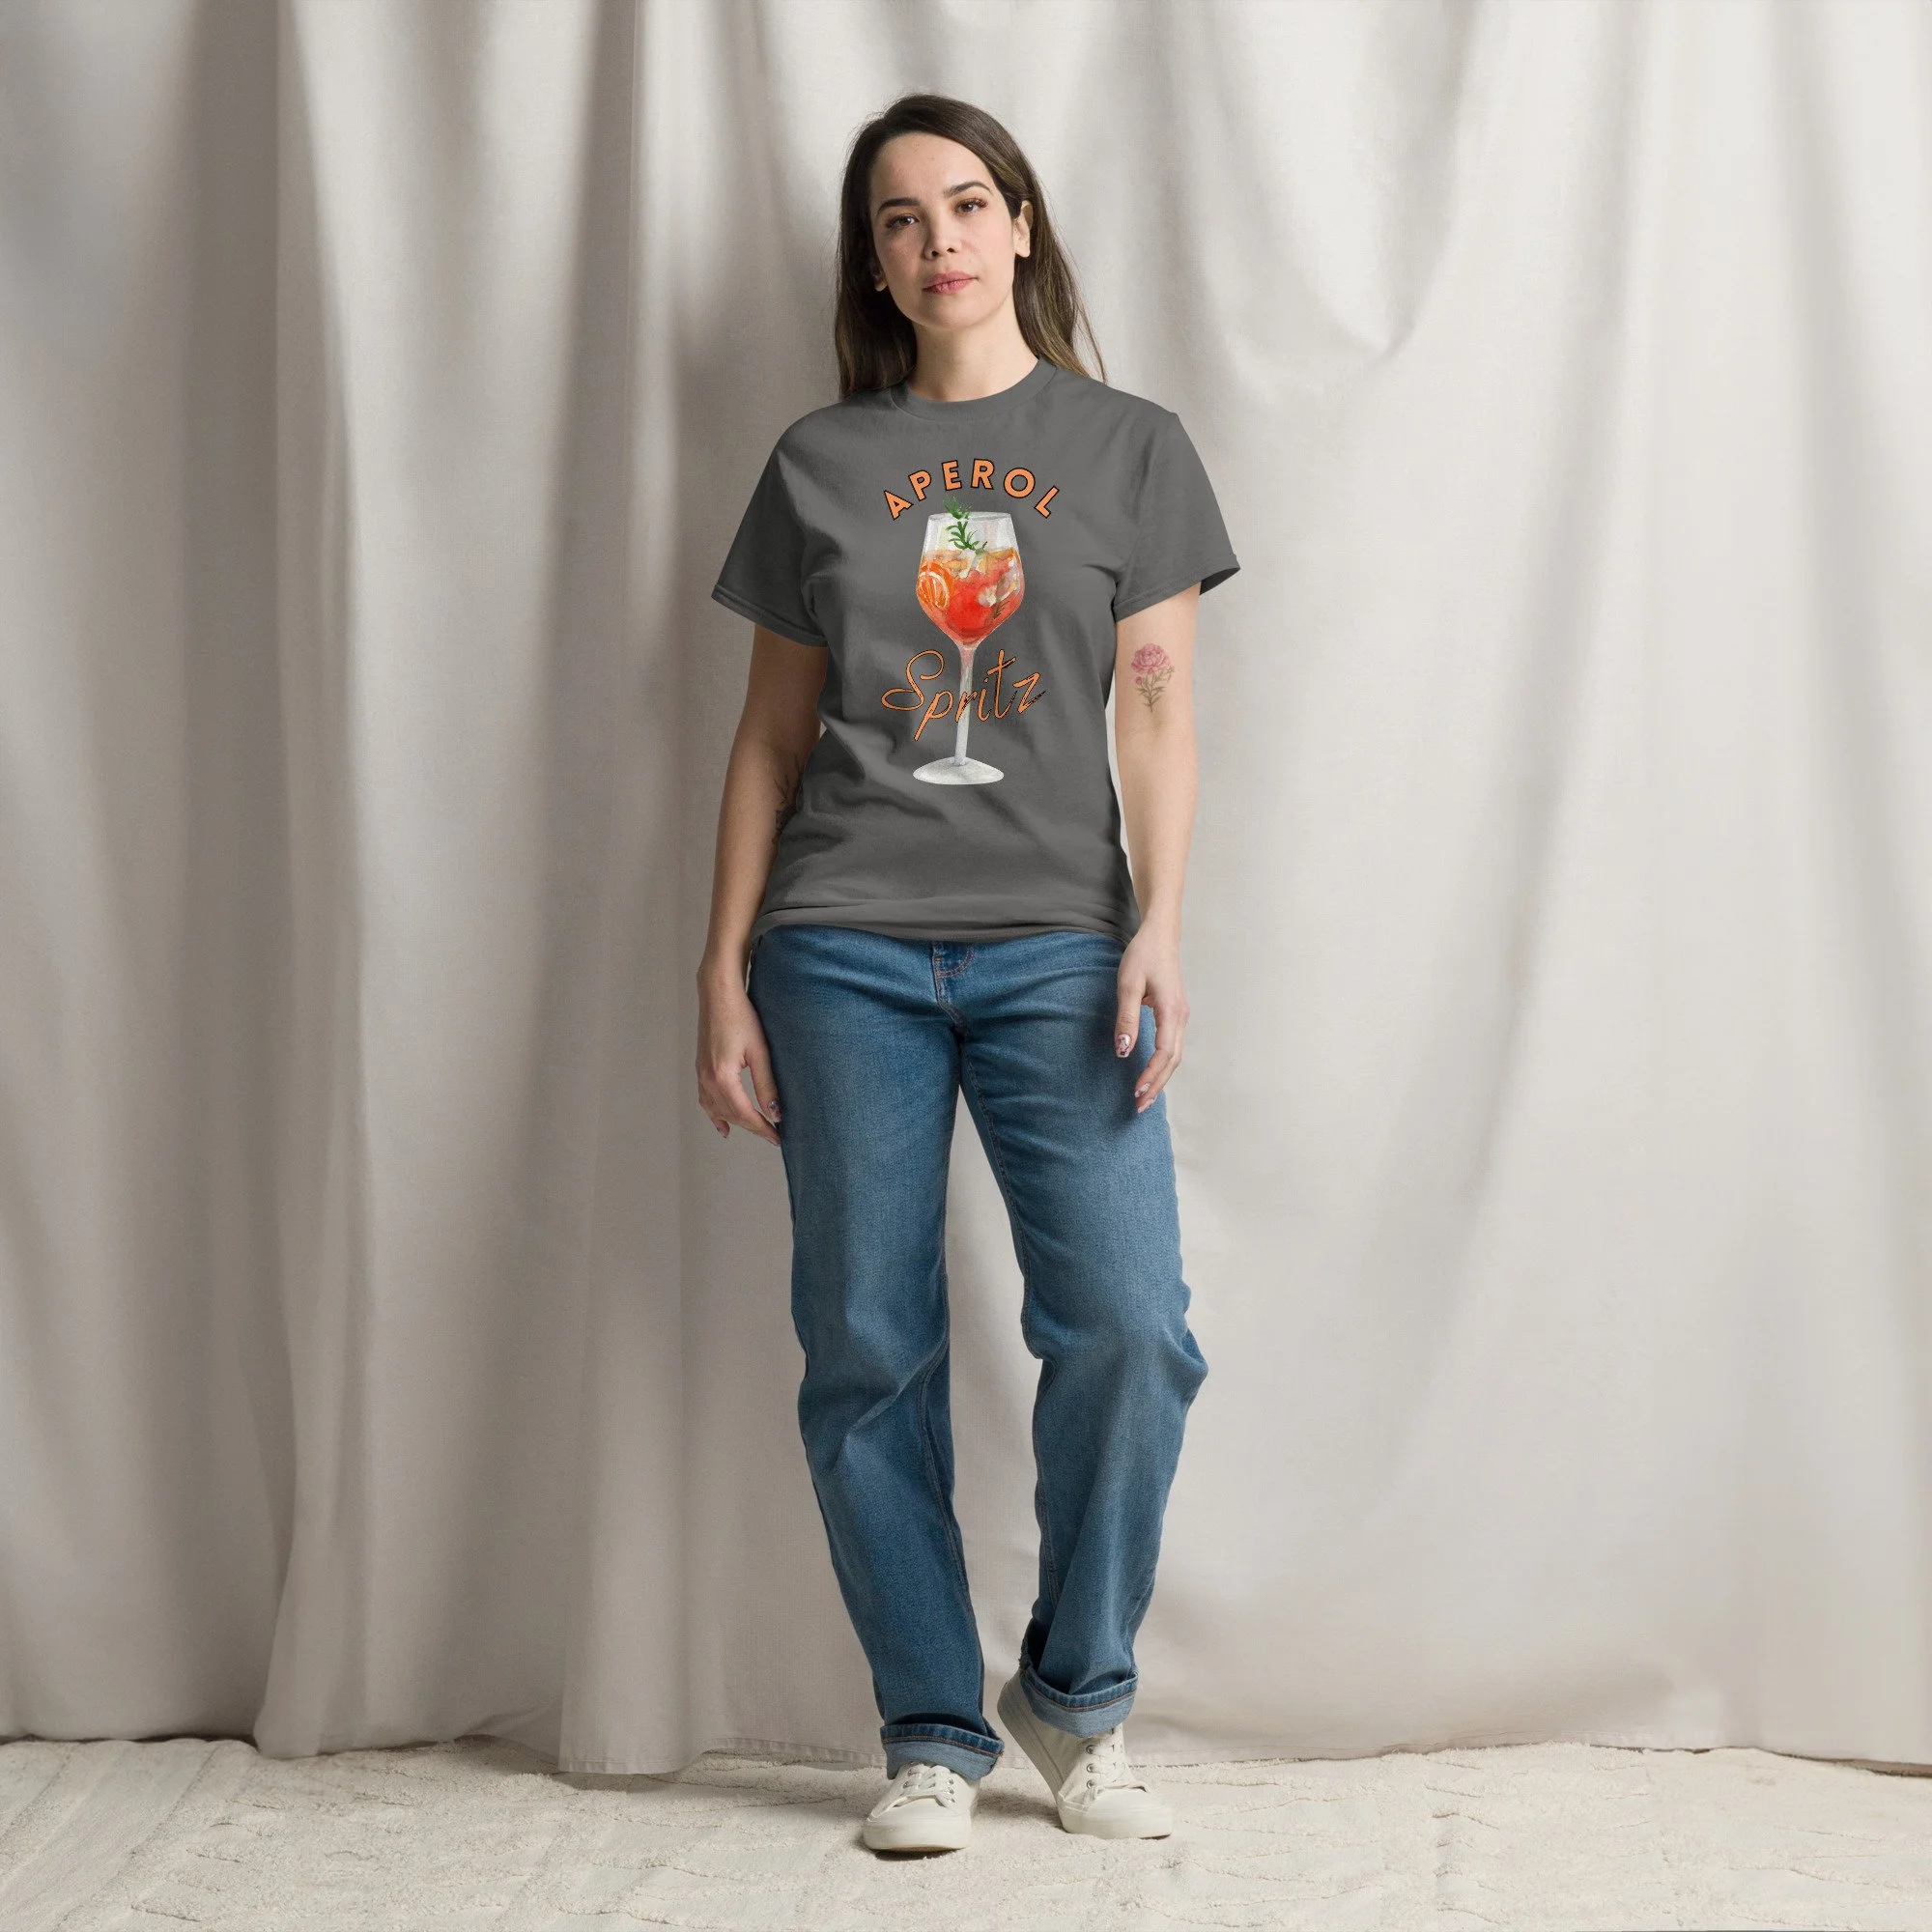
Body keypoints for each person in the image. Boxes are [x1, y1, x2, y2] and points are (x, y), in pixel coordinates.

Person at [695, 92, 1239, 1857]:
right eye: (900, 219)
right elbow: (771, 741)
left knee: (1131, 1333)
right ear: (876, 264)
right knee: (865, 1344)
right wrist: (722, 969)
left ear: (1021, 226)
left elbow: (1155, 710)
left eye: (968, 204)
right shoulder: (820, 462)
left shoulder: (1131, 449)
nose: (939, 240)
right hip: (838, 948)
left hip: (1060, 949)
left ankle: (1074, 1696)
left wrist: (1160, 921)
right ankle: (931, 1726)